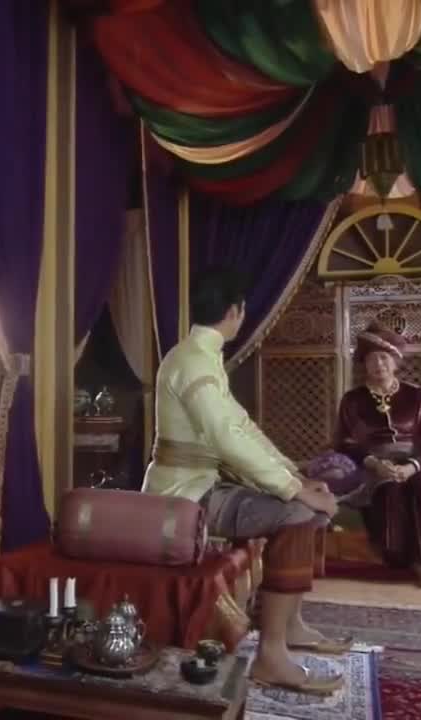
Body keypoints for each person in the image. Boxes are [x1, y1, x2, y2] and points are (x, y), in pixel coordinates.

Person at [143, 267, 346, 695]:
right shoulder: (192, 362)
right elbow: (227, 439)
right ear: (235, 311)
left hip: (206, 485)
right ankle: (271, 656)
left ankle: (291, 625)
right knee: (296, 513)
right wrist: (294, 490)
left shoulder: (201, 357)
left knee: (309, 508)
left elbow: (242, 427)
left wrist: (295, 476)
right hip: (185, 497)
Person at [333, 322, 421, 591]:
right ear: (364, 364)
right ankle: (419, 564)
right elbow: (345, 442)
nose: (378, 364)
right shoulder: (352, 400)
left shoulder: (417, 396)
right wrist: (374, 464)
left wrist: (412, 466)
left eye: (384, 358)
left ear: (395, 362)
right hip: (375, 465)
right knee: (392, 491)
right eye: (372, 359)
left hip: (416, 463)